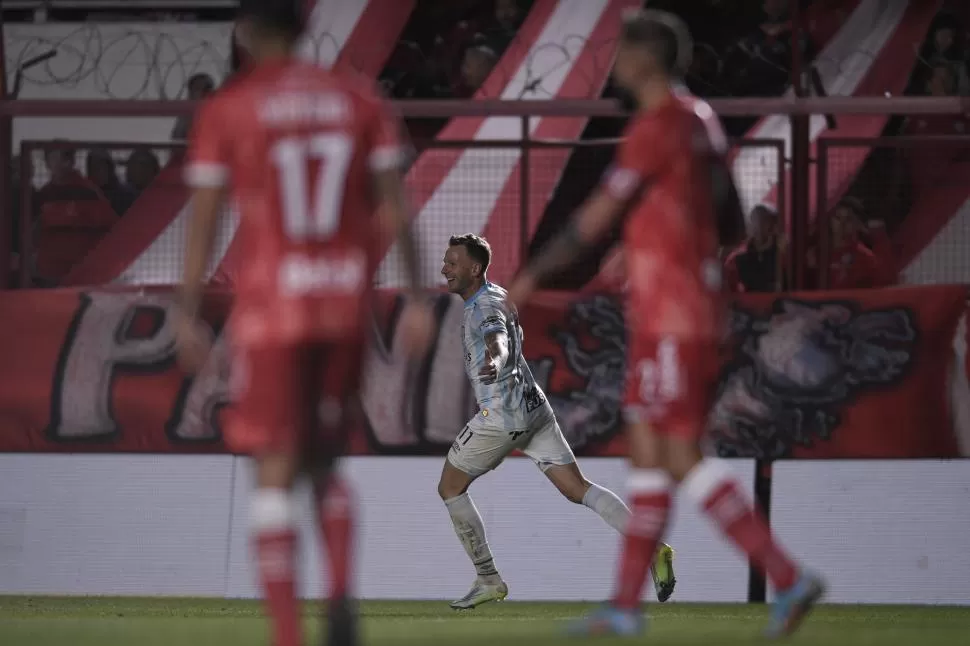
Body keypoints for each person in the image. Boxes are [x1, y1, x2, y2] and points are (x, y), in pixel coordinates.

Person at [507, 9, 823, 638]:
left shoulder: (656, 127)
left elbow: (590, 221)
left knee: (677, 453)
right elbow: (729, 217)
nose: (616, 65)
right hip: (681, 308)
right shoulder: (701, 123)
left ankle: (786, 576)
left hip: (674, 316)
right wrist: (664, 237)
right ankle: (624, 606)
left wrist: (530, 276)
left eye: (623, 55)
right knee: (648, 454)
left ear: (644, 60)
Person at [173, 1, 433, 645]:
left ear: (243, 32)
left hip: (271, 311)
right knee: (325, 462)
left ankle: (288, 635)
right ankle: (341, 590)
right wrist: (422, 300)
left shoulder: (229, 108)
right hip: (344, 304)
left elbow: (204, 222)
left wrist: (185, 312)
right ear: (303, 28)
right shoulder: (358, 99)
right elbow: (398, 211)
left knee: (271, 468)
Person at [438, 233, 676, 610]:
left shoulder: (482, 308)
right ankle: (652, 547)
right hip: (535, 407)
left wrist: (495, 360)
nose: (445, 268)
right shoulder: (498, 294)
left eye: (452, 262)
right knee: (577, 488)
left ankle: (488, 579)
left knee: (450, 487)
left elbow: (496, 338)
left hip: (502, 415)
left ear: (474, 267)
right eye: (445, 261)